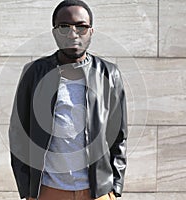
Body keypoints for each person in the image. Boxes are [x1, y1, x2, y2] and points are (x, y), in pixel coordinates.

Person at [9, 0, 128, 199]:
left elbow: (119, 136)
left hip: (98, 192)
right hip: (48, 191)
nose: (73, 34)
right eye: (64, 27)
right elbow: (19, 134)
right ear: (55, 32)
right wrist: (28, 191)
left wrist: (114, 188)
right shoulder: (34, 73)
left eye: (81, 27)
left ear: (91, 31)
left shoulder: (109, 74)